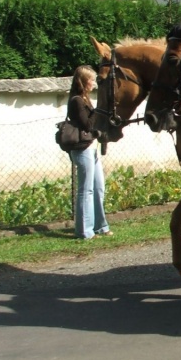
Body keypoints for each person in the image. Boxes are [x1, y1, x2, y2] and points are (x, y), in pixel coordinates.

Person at [67, 65, 112, 240]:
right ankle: (84, 231)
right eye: (91, 80)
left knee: (98, 188)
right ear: (83, 82)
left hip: (90, 148)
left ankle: (100, 226)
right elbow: (87, 124)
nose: (94, 83)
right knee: (86, 190)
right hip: (82, 149)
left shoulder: (85, 99)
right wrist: (99, 109)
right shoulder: (77, 100)